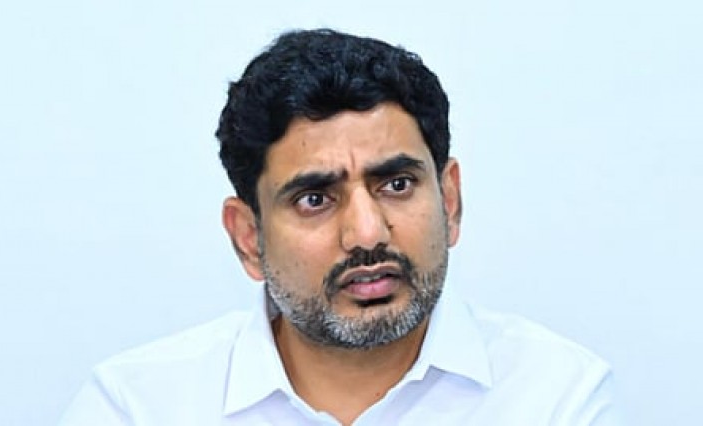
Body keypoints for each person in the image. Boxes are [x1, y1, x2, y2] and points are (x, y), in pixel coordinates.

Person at [60, 28, 619, 425]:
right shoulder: (138, 407)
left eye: (396, 184)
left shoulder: (556, 397)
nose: (367, 234)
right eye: (314, 199)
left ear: (450, 201)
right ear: (248, 238)